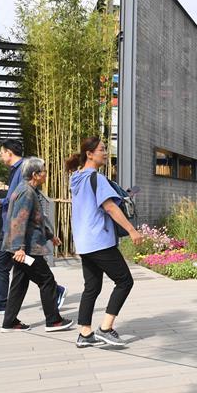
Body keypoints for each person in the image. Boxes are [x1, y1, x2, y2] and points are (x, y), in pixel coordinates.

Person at [66, 137, 144, 348]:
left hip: (83, 242)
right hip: (99, 240)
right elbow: (110, 207)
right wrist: (131, 229)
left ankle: (84, 333)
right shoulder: (96, 178)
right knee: (125, 281)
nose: (105, 153)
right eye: (102, 149)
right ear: (89, 154)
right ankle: (106, 329)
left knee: (91, 287)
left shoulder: (76, 178)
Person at [0, 139, 66, 315]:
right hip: (13, 231)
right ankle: (10, 312)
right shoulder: (18, 171)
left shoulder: (23, 171)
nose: (1, 155)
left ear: (9, 152)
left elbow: (20, 205)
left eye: (2, 152)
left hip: (14, 232)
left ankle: (6, 304)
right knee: (22, 270)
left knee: (13, 267)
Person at [0, 157, 74, 333]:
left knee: (19, 283)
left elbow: (35, 220)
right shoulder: (27, 192)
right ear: (35, 174)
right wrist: (19, 248)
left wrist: (50, 236)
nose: (46, 175)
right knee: (47, 280)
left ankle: (9, 322)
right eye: (44, 171)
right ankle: (54, 321)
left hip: (24, 248)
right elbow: (19, 221)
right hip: (27, 250)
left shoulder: (27, 190)